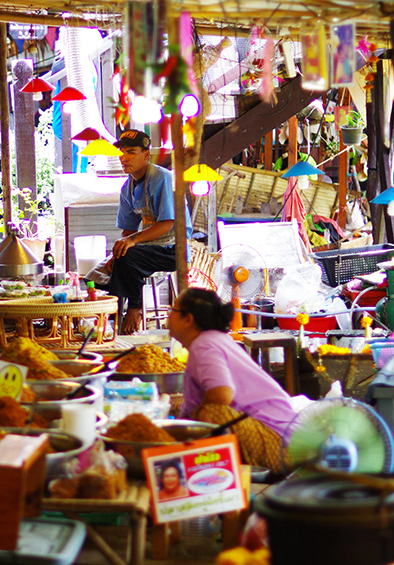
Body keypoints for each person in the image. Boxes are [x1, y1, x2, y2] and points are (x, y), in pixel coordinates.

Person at [167, 287, 297, 474]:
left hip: (278, 444)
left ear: (188, 319)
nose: (168, 315)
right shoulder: (212, 340)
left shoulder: (205, 344)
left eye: (173, 310)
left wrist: (193, 422)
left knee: (210, 413)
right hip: (283, 437)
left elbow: (222, 393)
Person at [101, 130, 191, 335]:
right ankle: (109, 318)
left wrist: (132, 241)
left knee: (129, 256)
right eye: (122, 153)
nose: (124, 158)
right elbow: (129, 229)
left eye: (131, 152)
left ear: (146, 155)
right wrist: (116, 251)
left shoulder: (163, 179)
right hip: (150, 247)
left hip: (173, 250)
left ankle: (134, 309)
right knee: (109, 264)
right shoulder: (128, 187)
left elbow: (167, 224)